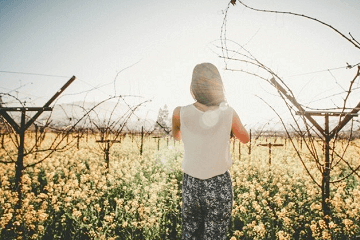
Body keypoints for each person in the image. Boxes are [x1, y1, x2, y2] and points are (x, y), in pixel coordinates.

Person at [172, 62, 250, 240]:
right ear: (218, 84)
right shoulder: (228, 112)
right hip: (219, 184)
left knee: (190, 234)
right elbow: (245, 138)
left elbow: (177, 136)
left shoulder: (179, 112)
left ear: (193, 86)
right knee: (216, 236)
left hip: (191, 183)